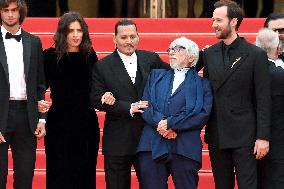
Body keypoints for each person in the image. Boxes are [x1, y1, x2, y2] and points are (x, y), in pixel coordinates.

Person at [196, 0, 271, 188]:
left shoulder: (255, 55)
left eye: (218, 20)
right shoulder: (208, 54)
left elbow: (263, 98)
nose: (213, 25)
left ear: (234, 21)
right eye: (213, 20)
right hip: (217, 135)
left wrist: (263, 137)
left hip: (246, 136)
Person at [90, 19, 169, 189]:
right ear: (114, 39)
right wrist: (127, 106)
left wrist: (198, 59)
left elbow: (173, 76)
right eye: (124, 37)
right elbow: (96, 98)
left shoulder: (151, 59)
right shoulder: (102, 66)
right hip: (118, 141)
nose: (129, 41)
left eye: (132, 36)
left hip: (148, 138)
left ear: (138, 37)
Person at [137, 37, 213, 189]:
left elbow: (202, 115)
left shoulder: (203, 84)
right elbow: (146, 106)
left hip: (184, 147)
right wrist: (162, 124)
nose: (172, 52)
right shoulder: (155, 76)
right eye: (170, 49)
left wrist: (171, 124)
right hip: (152, 144)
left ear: (192, 56)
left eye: (178, 49)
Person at [43, 12, 99, 189]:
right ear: (63, 32)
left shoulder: (90, 56)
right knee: (59, 173)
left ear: (84, 33)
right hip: (59, 124)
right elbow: (38, 88)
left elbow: (98, 87)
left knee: (85, 172)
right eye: (71, 30)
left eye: (79, 30)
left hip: (86, 123)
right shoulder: (49, 57)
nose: (76, 35)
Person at [0, 0, 46, 188]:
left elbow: (40, 84)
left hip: (27, 116)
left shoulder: (34, 42)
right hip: (1, 112)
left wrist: (42, 119)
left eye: (14, 10)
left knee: (25, 177)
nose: (10, 15)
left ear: (21, 12)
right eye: (5, 10)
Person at [256, 28, 284, 189]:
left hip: (251, 143)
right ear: (277, 49)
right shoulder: (279, 74)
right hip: (278, 144)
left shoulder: (248, 72)